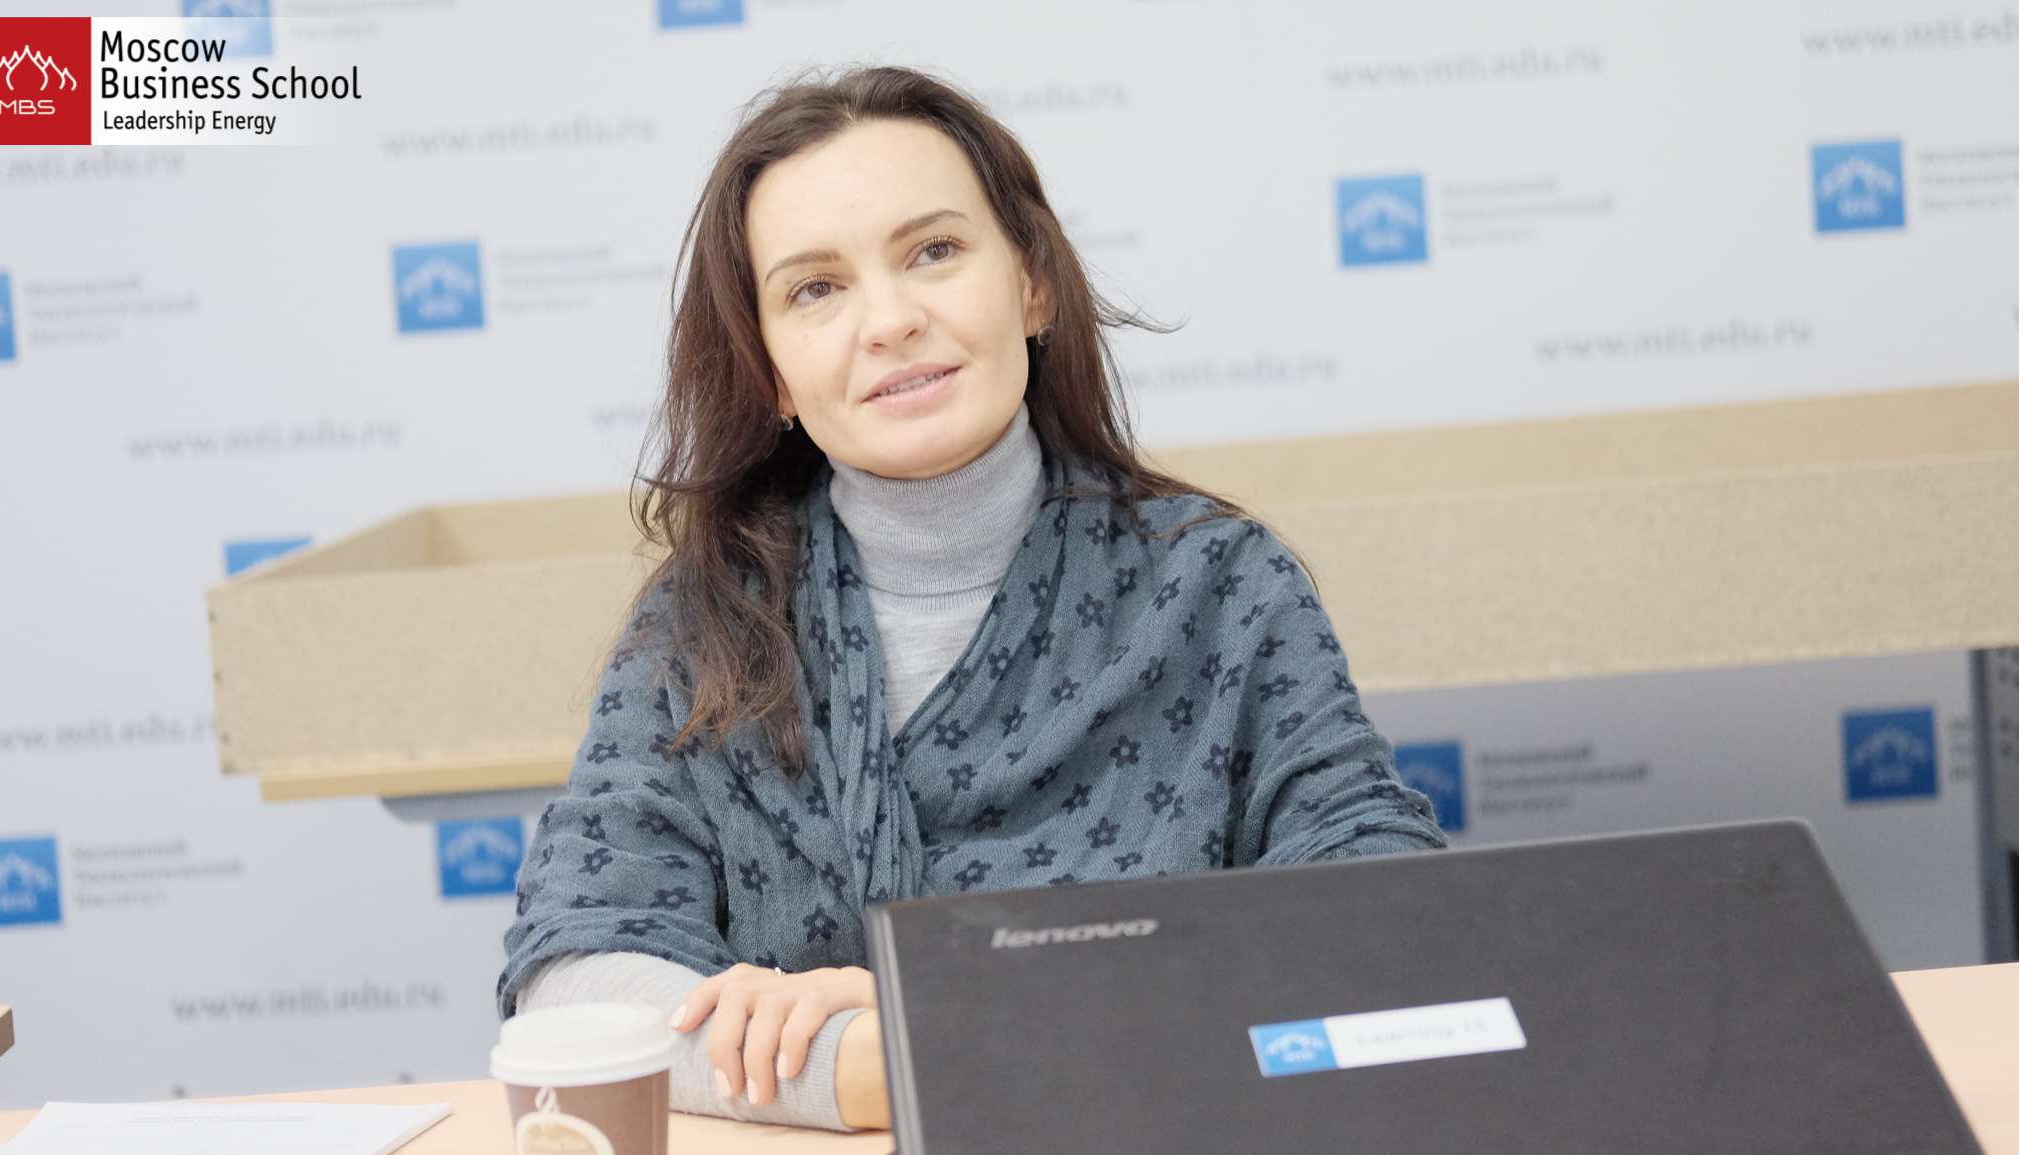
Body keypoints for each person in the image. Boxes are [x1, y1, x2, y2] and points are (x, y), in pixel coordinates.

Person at [499, 62, 1448, 1133]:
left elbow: (1384, 912)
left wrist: (934, 1027)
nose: (889, 319)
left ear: (1031, 283)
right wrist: (867, 1065)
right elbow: (577, 977)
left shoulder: (1218, 587)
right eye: (815, 289)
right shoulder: (700, 626)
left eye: (933, 252)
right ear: (768, 371)